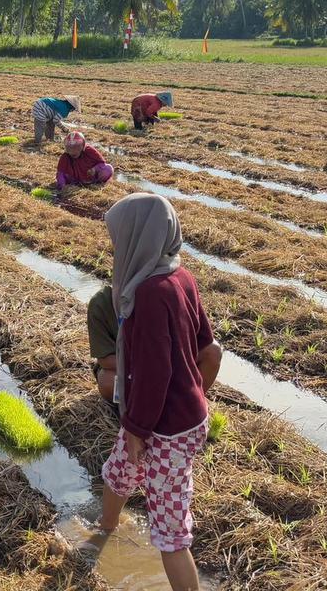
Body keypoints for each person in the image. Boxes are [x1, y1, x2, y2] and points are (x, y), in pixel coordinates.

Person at [99, 193, 222, 591]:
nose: (116, 246)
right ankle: (105, 528)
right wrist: (195, 393)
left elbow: (155, 374)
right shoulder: (178, 275)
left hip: (164, 427)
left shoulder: (151, 294)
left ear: (139, 237)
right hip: (169, 413)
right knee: (119, 472)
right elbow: (208, 348)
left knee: (169, 530)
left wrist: (138, 429)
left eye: (119, 238)